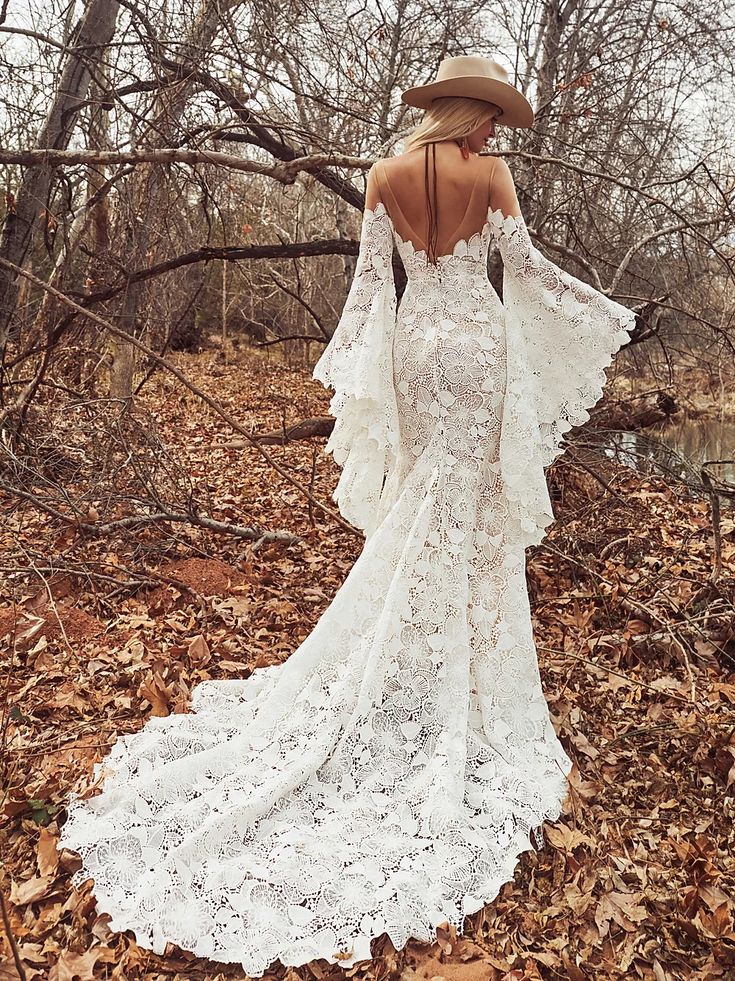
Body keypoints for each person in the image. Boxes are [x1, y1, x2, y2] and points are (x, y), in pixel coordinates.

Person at [59, 56, 637, 978]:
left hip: (416, 350)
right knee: (464, 507)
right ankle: (455, 676)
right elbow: (522, 272)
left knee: (426, 502)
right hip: (478, 345)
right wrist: (599, 314)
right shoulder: (488, 175)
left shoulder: (382, 175)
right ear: (469, 111)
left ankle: (417, 656)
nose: (495, 134)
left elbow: (371, 289)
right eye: (490, 116)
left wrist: (353, 376)